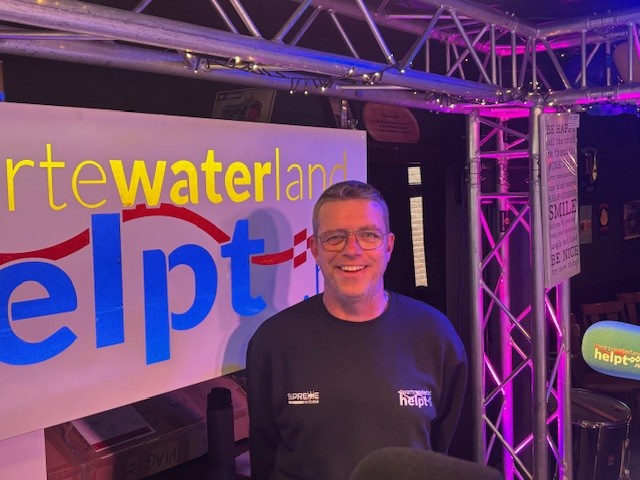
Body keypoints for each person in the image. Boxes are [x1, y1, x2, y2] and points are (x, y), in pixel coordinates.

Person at [246, 180, 467, 480]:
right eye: (335, 237)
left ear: (389, 246)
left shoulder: (435, 336)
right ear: (314, 249)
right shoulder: (273, 341)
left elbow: (446, 452)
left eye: (368, 235)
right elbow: (264, 458)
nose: (352, 250)